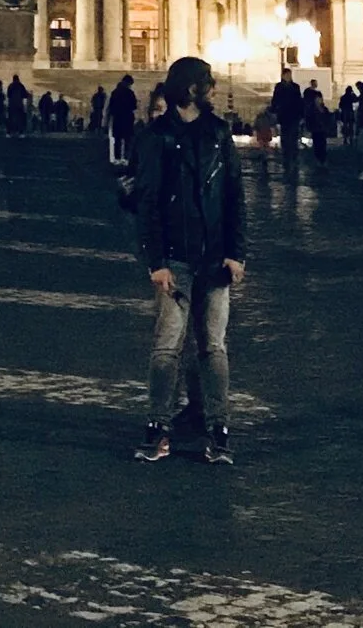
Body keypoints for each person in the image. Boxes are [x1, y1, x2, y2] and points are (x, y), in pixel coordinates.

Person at [132, 58, 244, 466]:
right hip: (175, 258)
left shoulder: (219, 133)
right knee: (166, 348)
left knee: (214, 347)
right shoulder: (156, 137)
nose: (213, 88)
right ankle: (158, 426)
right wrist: (155, 260)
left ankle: (219, 428)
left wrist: (237, 252)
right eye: (206, 83)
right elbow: (148, 204)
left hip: (215, 257)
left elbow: (235, 196)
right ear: (190, 89)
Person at [106, 73, 138, 164]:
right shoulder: (129, 93)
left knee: (118, 139)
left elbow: (111, 106)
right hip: (127, 118)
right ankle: (126, 158)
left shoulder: (115, 92)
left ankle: (117, 158)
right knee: (127, 139)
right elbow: (134, 105)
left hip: (117, 118)